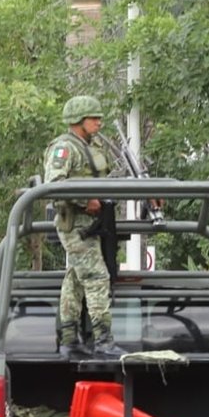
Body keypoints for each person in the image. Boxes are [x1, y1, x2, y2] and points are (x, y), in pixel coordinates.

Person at [44, 95, 122, 358]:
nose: (99, 122)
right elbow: (53, 184)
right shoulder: (64, 149)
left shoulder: (91, 145)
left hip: (95, 224)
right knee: (97, 277)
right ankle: (103, 339)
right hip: (76, 225)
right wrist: (83, 200)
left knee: (76, 280)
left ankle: (69, 339)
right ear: (79, 121)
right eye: (94, 118)